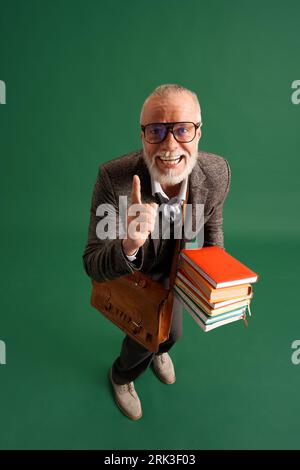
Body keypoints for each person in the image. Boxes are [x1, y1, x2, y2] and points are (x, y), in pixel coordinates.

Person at [82, 84, 231, 420]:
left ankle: (159, 349)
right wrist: (129, 244)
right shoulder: (115, 179)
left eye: (182, 129)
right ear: (143, 135)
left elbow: (213, 224)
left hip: (180, 272)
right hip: (135, 277)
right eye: (156, 131)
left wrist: (218, 270)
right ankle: (121, 376)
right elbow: (92, 264)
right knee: (146, 338)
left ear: (198, 133)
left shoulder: (217, 172)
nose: (169, 144)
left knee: (168, 335)